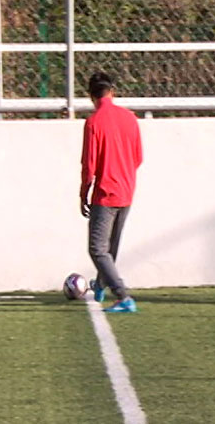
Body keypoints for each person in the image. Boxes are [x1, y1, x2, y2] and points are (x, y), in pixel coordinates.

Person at [80, 71, 143, 313]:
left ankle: (123, 295)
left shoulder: (93, 122)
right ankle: (100, 285)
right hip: (127, 189)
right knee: (111, 246)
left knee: (97, 248)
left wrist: (83, 193)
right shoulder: (130, 118)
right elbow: (138, 157)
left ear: (91, 96)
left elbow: (89, 165)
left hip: (106, 193)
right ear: (112, 92)